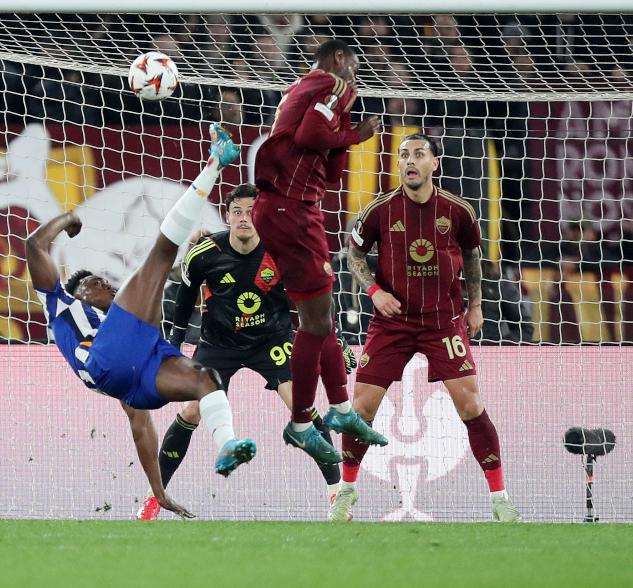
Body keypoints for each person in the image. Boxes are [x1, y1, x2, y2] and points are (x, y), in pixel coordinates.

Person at [25, 124, 257, 520]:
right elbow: (33, 245)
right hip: (105, 360)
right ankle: (215, 163)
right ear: (82, 291)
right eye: (99, 283)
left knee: (206, 380)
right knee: (161, 254)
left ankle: (227, 445)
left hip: (136, 376)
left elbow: (140, 429)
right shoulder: (60, 300)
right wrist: (67, 218)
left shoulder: (124, 336)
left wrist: (158, 490)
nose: (110, 287)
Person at [138, 183, 356, 521]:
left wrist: (334, 340)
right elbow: (182, 301)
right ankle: (155, 498)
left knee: (302, 405)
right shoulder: (204, 253)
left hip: (272, 340)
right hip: (218, 344)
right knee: (193, 410)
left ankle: (336, 493)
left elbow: (315, 296)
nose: (243, 218)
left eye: (250, 212)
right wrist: (174, 347)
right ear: (227, 215)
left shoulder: (283, 251)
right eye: (236, 211)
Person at [338, 134, 521, 523]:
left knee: (471, 405)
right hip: (393, 323)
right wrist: (373, 290)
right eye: (404, 155)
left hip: (443, 322)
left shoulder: (458, 210)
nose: (410, 161)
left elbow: (473, 257)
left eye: (419, 155)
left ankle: (500, 498)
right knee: (361, 408)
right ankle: (346, 491)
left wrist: (475, 306)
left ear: (434, 164)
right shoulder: (380, 209)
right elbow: (354, 254)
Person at [251, 40, 387, 465]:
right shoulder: (331, 81)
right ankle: (301, 424)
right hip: (290, 210)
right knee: (315, 322)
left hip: (286, 207)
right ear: (339, 58)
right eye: (355, 65)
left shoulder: (303, 89)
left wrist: (344, 138)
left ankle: (343, 411)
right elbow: (313, 134)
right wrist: (356, 133)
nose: (356, 77)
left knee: (321, 317)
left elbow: (327, 168)